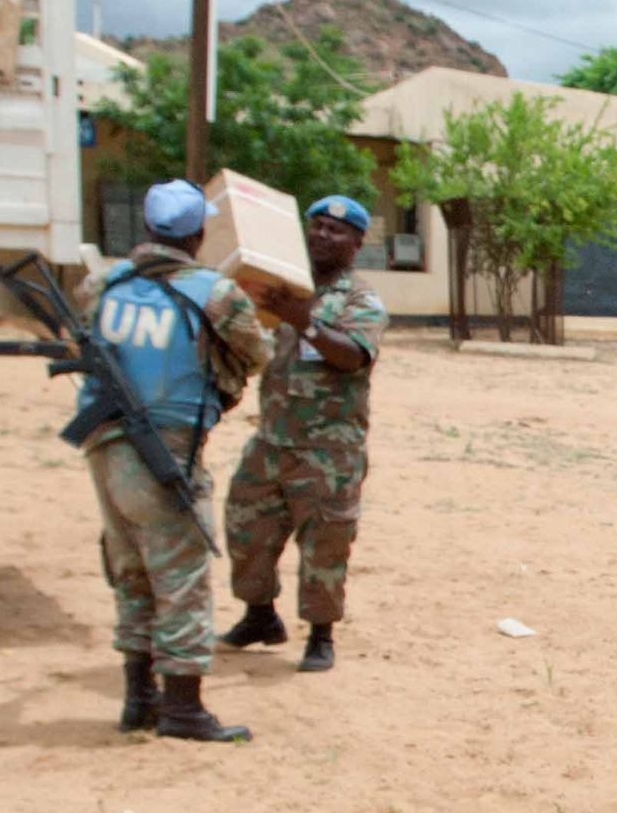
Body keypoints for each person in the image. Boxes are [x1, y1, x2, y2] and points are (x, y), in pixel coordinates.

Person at [67, 177, 278, 745]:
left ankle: (139, 698)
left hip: (104, 444)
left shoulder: (103, 284)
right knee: (181, 575)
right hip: (167, 449)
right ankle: (182, 708)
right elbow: (256, 353)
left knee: (132, 571)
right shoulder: (213, 292)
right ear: (200, 234)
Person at [220, 193, 389, 671]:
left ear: (356, 243)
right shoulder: (282, 289)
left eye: (336, 231)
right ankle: (259, 617)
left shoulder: (359, 299)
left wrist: (306, 322)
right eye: (316, 226)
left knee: (325, 544)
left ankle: (320, 636)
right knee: (246, 529)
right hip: (272, 440)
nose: (323, 235)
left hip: (329, 450)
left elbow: (353, 356)